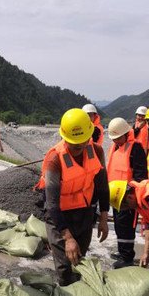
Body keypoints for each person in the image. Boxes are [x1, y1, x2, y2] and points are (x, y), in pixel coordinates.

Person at [37, 108, 109, 285]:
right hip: (59, 215)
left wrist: (103, 217)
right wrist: (67, 237)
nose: (79, 148)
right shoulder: (55, 159)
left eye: (83, 143)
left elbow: (102, 186)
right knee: (64, 266)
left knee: (79, 261)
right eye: (74, 144)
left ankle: (79, 293)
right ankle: (65, 292)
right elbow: (52, 204)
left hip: (84, 212)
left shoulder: (97, 151)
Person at [106, 117, 148, 268]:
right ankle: (122, 251)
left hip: (128, 197)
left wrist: (130, 190)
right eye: (114, 138)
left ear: (125, 134)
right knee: (119, 225)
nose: (115, 141)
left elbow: (141, 175)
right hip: (115, 196)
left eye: (118, 138)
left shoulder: (135, 149)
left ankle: (127, 257)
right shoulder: (115, 147)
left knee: (126, 227)